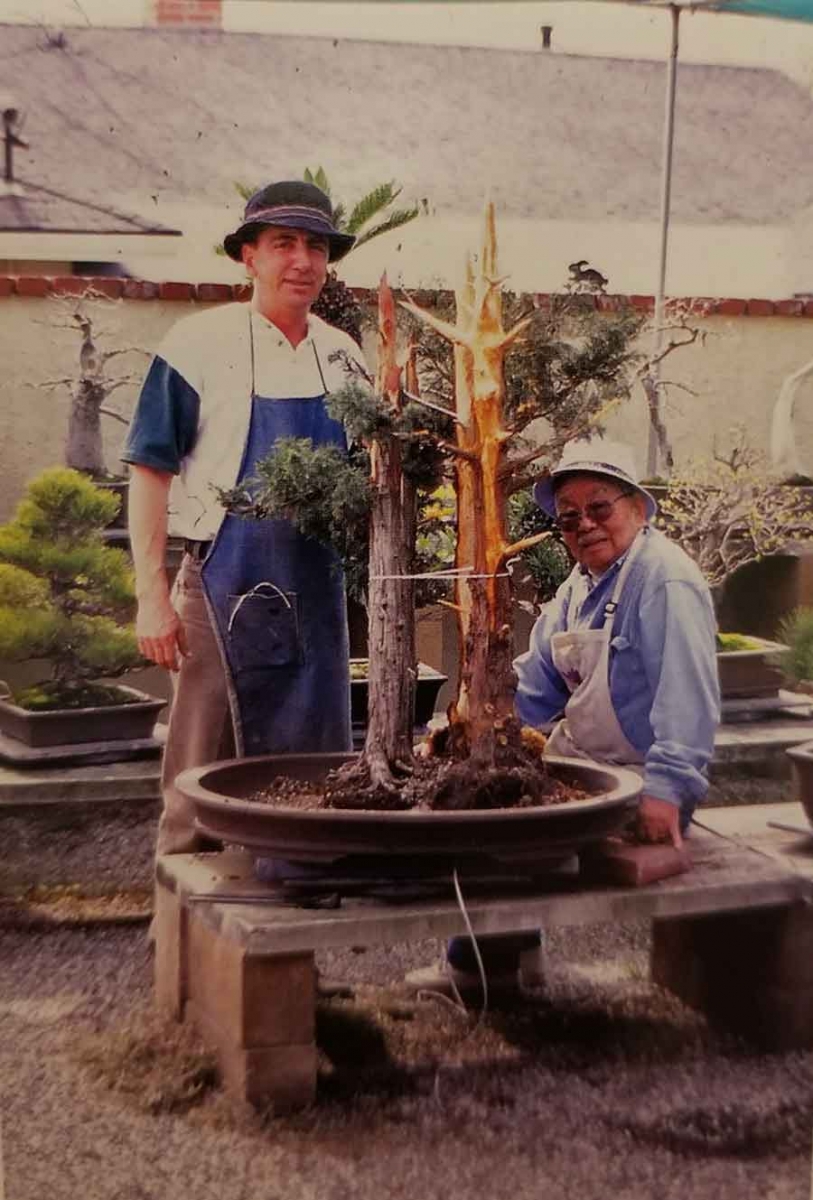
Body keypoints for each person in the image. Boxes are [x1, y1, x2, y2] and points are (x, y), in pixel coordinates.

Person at [425, 437, 721, 998]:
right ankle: (511, 959)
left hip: (645, 782)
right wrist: (465, 728)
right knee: (487, 790)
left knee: (505, 827)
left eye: (599, 508)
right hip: (590, 770)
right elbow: (533, 688)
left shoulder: (664, 579)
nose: (584, 525)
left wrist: (668, 790)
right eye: (568, 518)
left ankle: (479, 971)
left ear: (637, 506)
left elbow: (689, 698)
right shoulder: (576, 589)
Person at [122, 179, 366, 856]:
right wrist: (151, 597)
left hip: (317, 591)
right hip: (220, 585)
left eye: (315, 246)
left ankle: (292, 938)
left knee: (312, 773)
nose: (302, 261)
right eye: (283, 243)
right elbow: (148, 469)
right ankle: (183, 953)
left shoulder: (345, 355)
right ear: (248, 257)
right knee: (198, 779)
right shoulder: (196, 342)